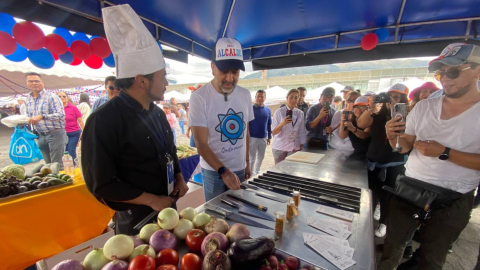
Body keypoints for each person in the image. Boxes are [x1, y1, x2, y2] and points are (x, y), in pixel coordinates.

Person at [82, 4, 188, 235]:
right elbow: (102, 183)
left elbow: (169, 151)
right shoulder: (103, 120)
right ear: (142, 81)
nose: (166, 83)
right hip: (136, 219)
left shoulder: (157, 113)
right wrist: (151, 200)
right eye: (163, 77)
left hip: (168, 208)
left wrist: (178, 177)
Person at [380, 43, 480, 270]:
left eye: (453, 71)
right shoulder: (424, 107)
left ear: (478, 70)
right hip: (410, 188)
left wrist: (445, 153)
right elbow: (404, 146)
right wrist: (393, 136)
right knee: (392, 248)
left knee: (432, 258)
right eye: (440, 73)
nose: (445, 78)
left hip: (455, 197)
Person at [189, 37, 253, 202]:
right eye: (224, 71)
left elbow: (245, 131)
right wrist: (224, 172)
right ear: (212, 68)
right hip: (213, 171)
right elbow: (201, 144)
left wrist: (247, 162)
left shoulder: (245, 95)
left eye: (235, 72)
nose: (230, 78)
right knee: (215, 217)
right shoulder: (199, 97)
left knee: (238, 212)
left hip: (239, 168)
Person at [357, 83, 409, 238]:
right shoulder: (378, 114)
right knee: (370, 193)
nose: (392, 99)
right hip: (374, 161)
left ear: (403, 99)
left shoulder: (407, 115)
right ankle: (367, 220)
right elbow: (361, 124)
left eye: (397, 96)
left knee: (388, 196)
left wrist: (395, 107)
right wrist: (371, 107)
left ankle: (384, 223)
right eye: (389, 96)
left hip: (394, 163)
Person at [24, 72, 67, 169]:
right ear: (27, 83)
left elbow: (61, 115)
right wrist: (28, 120)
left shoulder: (52, 97)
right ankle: (53, 182)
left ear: (42, 83)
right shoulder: (28, 99)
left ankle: (61, 183)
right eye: (31, 81)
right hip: (40, 135)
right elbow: (28, 116)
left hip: (55, 134)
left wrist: (42, 117)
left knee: (57, 165)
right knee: (48, 166)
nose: (34, 83)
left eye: (36, 81)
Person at [271, 89, 307, 164]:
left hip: (294, 146)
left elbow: (301, 131)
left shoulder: (300, 113)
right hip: (280, 146)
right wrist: (283, 123)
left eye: (296, 97)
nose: (293, 100)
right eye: (291, 97)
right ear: (287, 98)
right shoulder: (279, 112)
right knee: (279, 171)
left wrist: (301, 145)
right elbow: (274, 132)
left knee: (291, 170)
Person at [249, 90, 272, 175]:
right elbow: (247, 124)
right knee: (252, 157)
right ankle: (250, 173)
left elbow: (269, 124)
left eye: (262, 96)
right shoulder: (250, 108)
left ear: (265, 98)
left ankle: (257, 171)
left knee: (261, 157)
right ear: (255, 98)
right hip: (252, 137)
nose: (260, 98)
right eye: (258, 96)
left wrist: (269, 136)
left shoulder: (268, 110)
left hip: (263, 137)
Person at [58, 92, 84, 165]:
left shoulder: (73, 108)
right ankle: (67, 166)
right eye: (59, 96)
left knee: (71, 149)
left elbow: (80, 121)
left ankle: (74, 166)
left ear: (67, 97)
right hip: (61, 134)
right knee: (64, 151)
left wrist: (85, 131)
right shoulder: (56, 109)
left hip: (74, 133)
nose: (62, 98)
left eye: (64, 96)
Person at [186, 83, 202, 148]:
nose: (192, 92)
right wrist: (188, 129)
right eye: (192, 91)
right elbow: (191, 118)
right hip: (194, 132)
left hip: (202, 133)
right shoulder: (193, 103)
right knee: (194, 149)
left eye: (194, 91)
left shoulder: (204, 103)